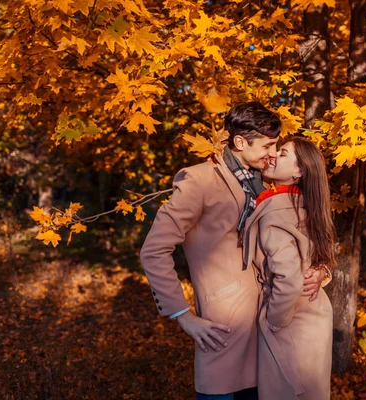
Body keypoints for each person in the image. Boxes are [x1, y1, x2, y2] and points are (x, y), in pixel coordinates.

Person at [139, 102, 329, 399]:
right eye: (268, 144)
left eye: (277, 145)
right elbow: (153, 250)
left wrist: (321, 270)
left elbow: (309, 230)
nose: (273, 152)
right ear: (240, 142)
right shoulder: (198, 181)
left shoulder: (268, 181)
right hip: (225, 332)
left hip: (268, 336)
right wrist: (182, 315)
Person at [242, 137, 335, 400]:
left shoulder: (275, 210)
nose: (272, 156)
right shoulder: (309, 203)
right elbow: (315, 255)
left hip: (289, 320)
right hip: (313, 312)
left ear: (299, 171)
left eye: (282, 154)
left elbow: (289, 277)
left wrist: (274, 321)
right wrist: (321, 271)